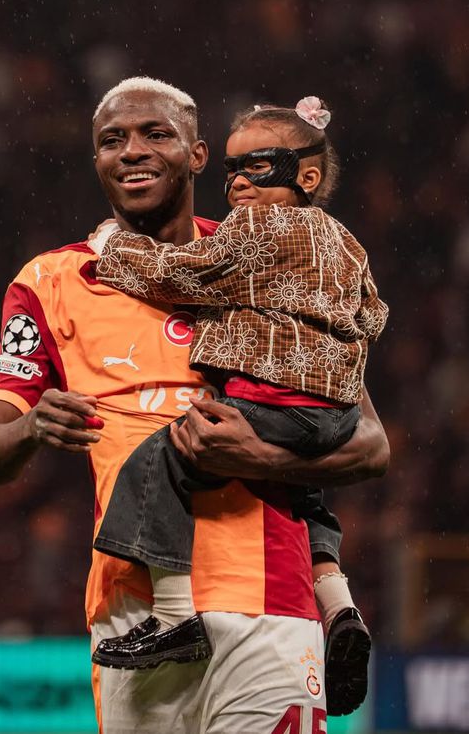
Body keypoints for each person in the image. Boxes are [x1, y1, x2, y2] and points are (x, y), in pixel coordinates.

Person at [0, 76, 389, 734]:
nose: (132, 151)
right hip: (131, 616)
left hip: (270, 603)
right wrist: (31, 426)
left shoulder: (261, 255)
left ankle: (333, 605)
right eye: (112, 141)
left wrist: (260, 454)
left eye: (154, 134)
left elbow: (369, 442)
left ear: (197, 155)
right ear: (97, 162)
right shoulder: (49, 283)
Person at [87, 97, 387, 716]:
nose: (239, 182)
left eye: (257, 166)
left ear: (305, 177)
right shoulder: (349, 244)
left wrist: (113, 248)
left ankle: (171, 616)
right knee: (306, 496)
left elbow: (186, 274)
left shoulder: (253, 230)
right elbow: (374, 315)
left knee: (158, 462)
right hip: (328, 411)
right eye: (232, 170)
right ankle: (341, 605)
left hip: (267, 399)